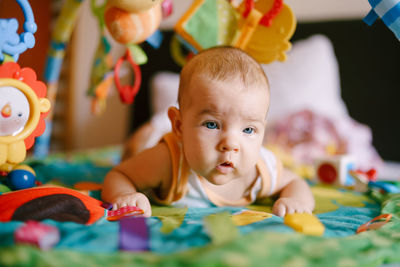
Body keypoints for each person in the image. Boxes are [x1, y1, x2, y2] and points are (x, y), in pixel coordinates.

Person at [102, 46, 315, 217]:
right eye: (212, 125)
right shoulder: (169, 162)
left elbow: (296, 183)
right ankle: (153, 127)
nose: (231, 144)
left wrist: (295, 201)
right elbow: (119, 174)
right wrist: (125, 194)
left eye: (248, 129)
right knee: (137, 146)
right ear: (178, 126)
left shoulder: (261, 171)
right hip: (159, 142)